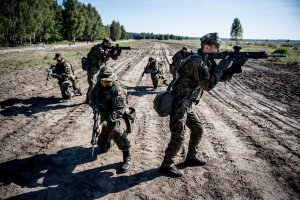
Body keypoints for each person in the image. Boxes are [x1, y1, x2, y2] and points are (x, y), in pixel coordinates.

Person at [159, 33, 247, 177]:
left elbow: (219, 77)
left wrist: (234, 67)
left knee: (198, 129)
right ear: (207, 47)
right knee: (179, 135)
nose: (218, 50)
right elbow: (207, 85)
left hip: (187, 103)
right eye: (216, 47)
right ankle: (166, 164)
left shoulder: (206, 60)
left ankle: (191, 157)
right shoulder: (197, 62)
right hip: (179, 102)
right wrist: (220, 67)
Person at [88, 66, 134, 173]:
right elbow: (91, 98)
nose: (104, 84)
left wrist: (103, 124)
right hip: (106, 115)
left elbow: (118, 111)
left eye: (107, 81)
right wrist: (96, 107)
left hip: (119, 117)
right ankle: (111, 138)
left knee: (116, 132)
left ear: (112, 79)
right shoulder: (99, 85)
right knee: (103, 147)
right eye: (102, 81)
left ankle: (127, 156)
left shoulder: (118, 89)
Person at [85, 37, 119, 103]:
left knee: (101, 82)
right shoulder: (98, 48)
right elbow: (104, 59)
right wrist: (109, 53)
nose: (110, 45)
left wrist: (116, 53)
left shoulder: (105, 48)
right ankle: (88, 99)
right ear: (105, 43)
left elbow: (114, 58)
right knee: (92, 84)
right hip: (93, 67)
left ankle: (97, 97)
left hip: (99, 67)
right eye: (109, 44)